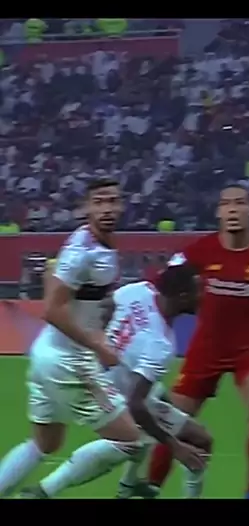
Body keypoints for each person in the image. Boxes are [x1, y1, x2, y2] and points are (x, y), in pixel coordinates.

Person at [0, 178, 200, 499]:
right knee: (131, 440)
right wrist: (97, 345)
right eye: (99, 202)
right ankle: (43, 493)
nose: (106, 208)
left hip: (45, 352)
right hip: (71, 362)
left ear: (121, 205)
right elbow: (51, 310)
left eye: (112, 201)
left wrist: (102, 312)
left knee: (44, 443)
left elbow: (56, 281)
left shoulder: (93, 242)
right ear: (86, 207)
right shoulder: (85, 252)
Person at [148, 183, 249, 499]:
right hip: (206, 348)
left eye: (240, 203)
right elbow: (164, 283)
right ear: (219, 212)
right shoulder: (200, 250)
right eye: (227, 203)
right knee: (171, 421)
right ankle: (151, 489)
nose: (233, 209)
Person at [29, 262, 211, 500]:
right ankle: (45, 490)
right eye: (199, 291)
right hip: (110, 391)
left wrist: (103, 340)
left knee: (187, 434)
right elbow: (137, 405)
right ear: (183, 296)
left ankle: (127, 486)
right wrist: (175, 447)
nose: (203, 296)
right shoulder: (161, 345)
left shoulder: (141, 290)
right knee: (134, 439)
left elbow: (106, 305)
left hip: (93, 371)